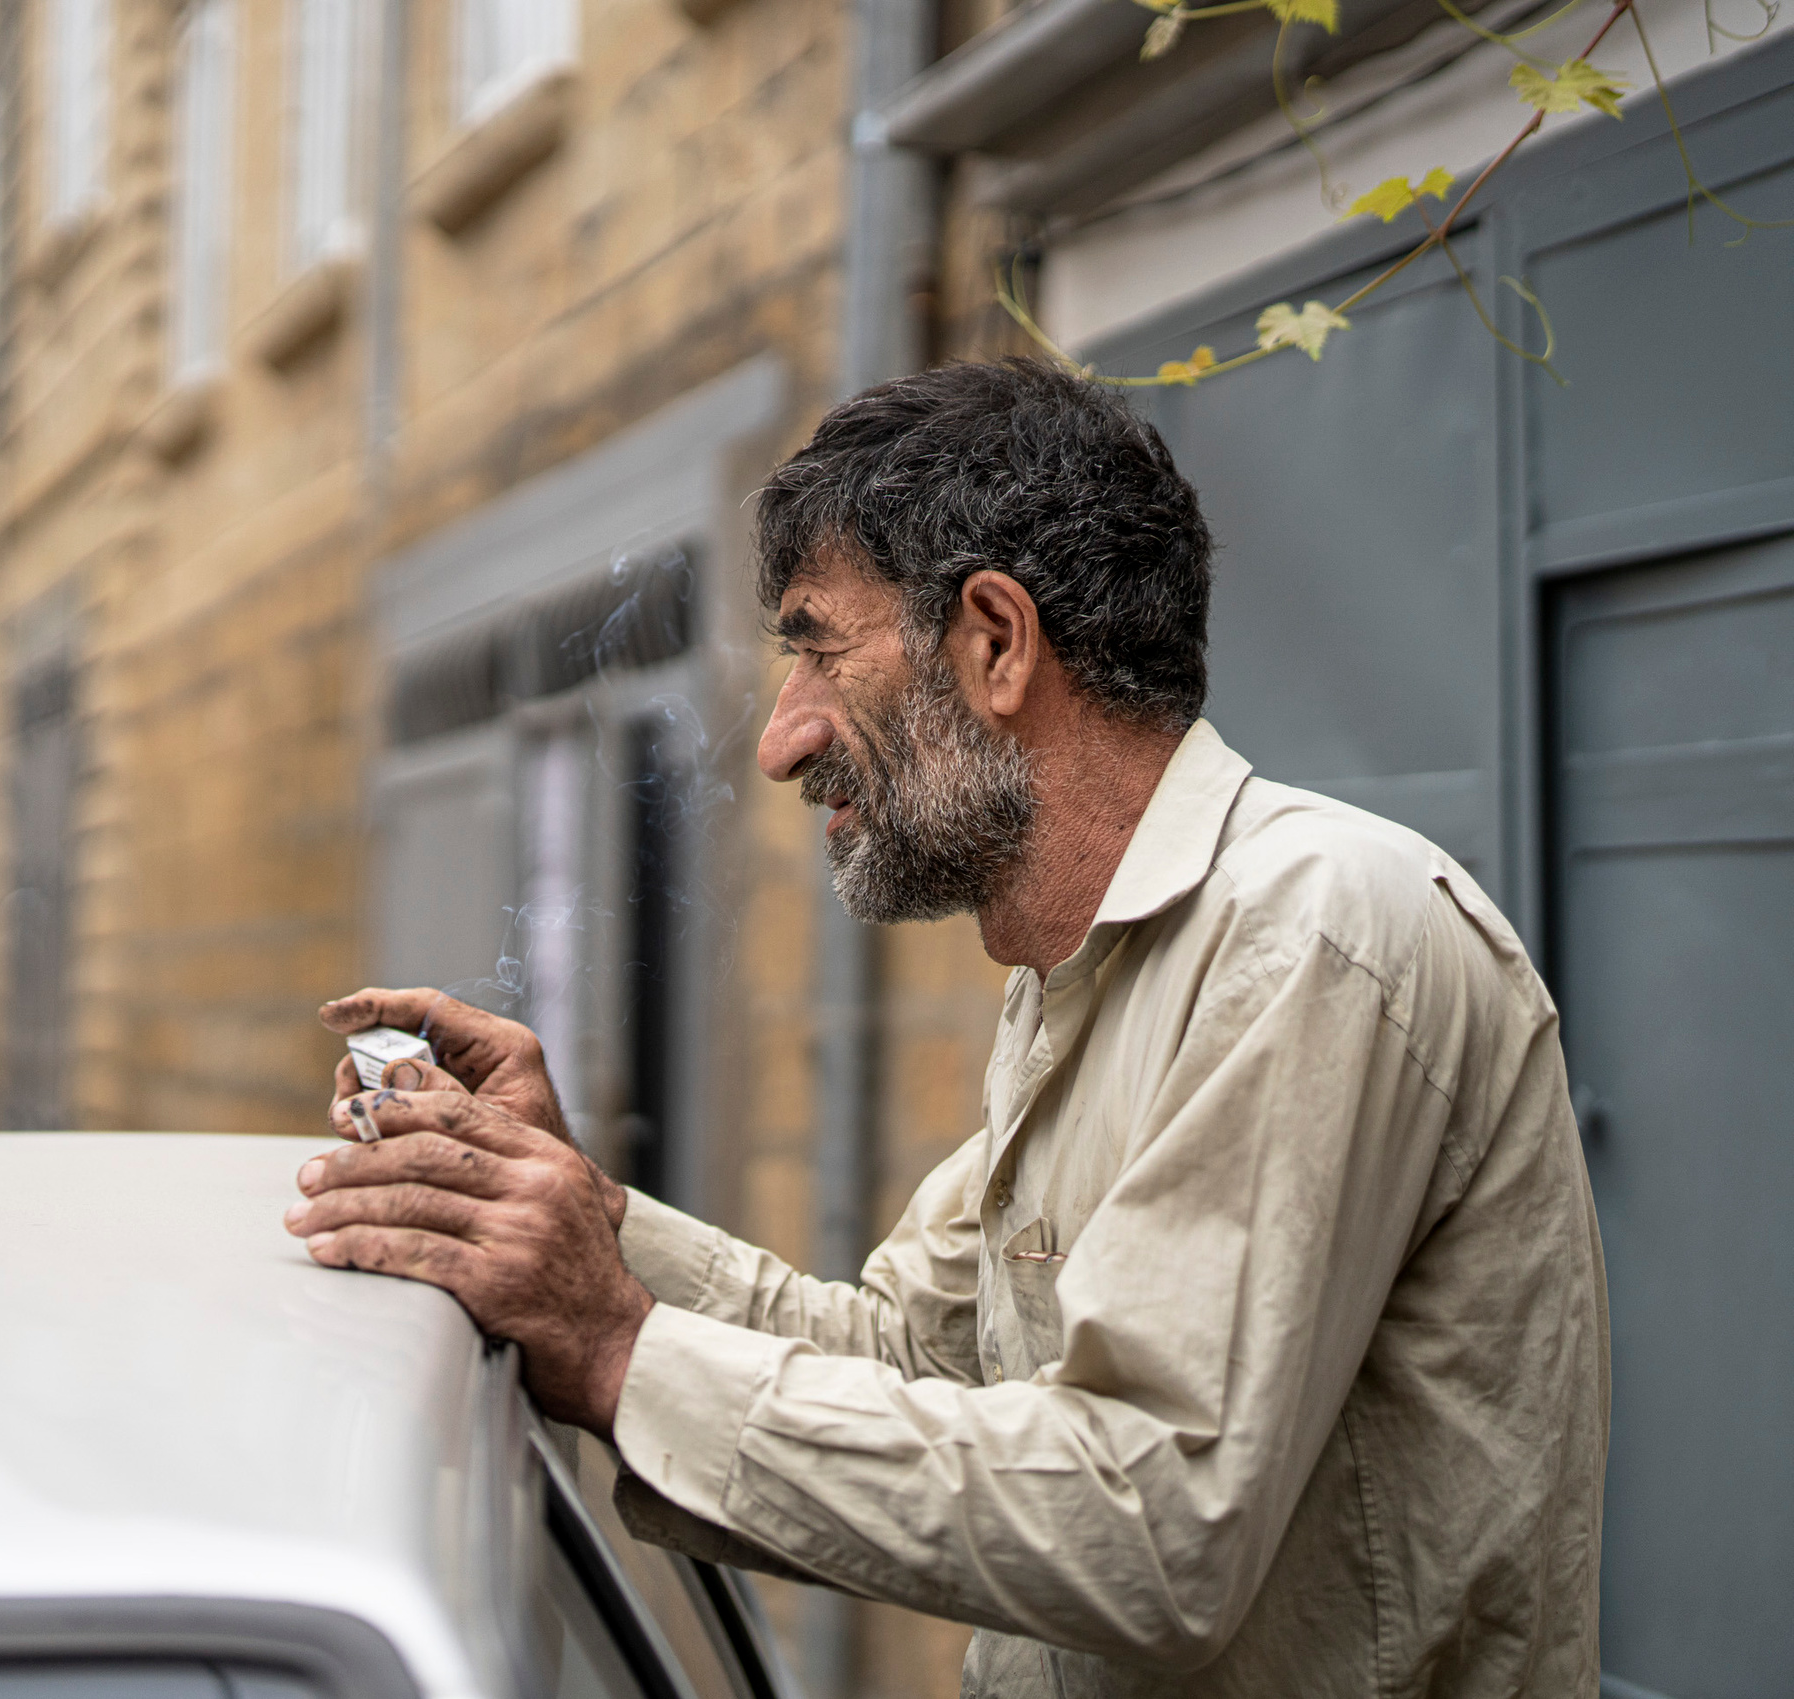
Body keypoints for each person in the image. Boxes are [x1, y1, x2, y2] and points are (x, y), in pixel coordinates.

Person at [286, 361, 1608, 1695]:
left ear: (993, 642)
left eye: (815, 647)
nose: (783, 741)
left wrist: (621, 1349)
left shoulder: (1308, 932)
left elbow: (1156, 1526)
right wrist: (572, 1208)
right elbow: (915, 1357)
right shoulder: (1085, 972)